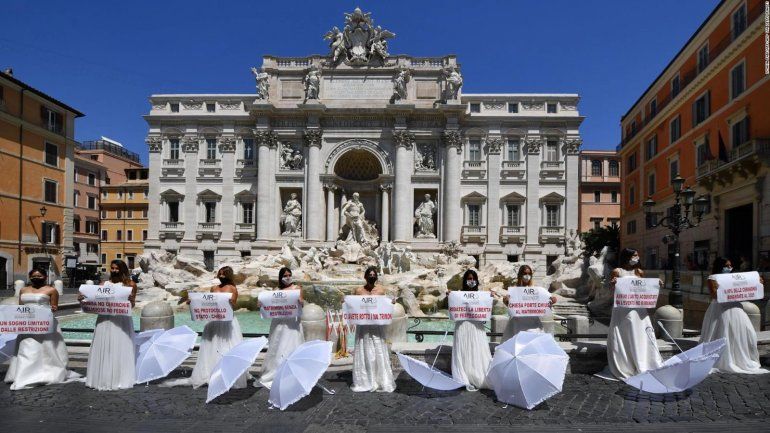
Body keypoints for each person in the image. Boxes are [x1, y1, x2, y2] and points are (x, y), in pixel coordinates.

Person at [164, 266, 247, 388]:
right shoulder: (213, 288)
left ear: (228, 275)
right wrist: (193, 302)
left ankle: (225, 374)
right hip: (213, 320)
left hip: (227, 322)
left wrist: (229, 302)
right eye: (219, 274)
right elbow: (207, 303)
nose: (221, 276)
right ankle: (210, 372)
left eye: (223, 274)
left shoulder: (233, 288)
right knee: (211, 347)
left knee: (227, 346)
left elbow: (233, 305)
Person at [4, 269, 80, 390]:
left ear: (45, 277)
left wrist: (53, 308)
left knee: (45, 347)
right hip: (27, 323)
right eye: (33, 276)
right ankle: (24, 373)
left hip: (44, 322)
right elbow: (20, 307)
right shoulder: (23, 290)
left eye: (39, 276)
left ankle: (42, 372)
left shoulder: (51, 290)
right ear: (29, 277)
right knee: (26, 346)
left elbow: (55, 307)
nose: (36, 278)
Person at [700, 258, 767, 374]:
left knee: (746, 332)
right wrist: (727, 290)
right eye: (726, 266)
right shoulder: (713, 278)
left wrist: (757, 283)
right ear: (720, 266)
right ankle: (722, 359)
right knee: (722, 332)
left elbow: (748, 288)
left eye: (730, 266)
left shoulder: (734, 278)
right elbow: (714, 295)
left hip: (736, 307)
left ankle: (741, 358)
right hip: (721, 309)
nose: (729, 268)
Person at [605, 248, 663, 380]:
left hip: (638, 307)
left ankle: (643, 360)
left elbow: (643, 287)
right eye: (635, 255)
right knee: (625, 332)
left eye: (637, 255)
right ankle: (626, 363)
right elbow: (611, 290)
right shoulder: (617, 271)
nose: (637, 257)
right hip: (623, 308)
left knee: (640, 332)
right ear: (627, 256)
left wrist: (655, 284)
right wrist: (613, 284)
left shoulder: (639, 271)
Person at [83, 260, 137, 390]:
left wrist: (131, 300)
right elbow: (95, 300)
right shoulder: (103, 284)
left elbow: (133, 304)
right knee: (103, 344)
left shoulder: (131, 284)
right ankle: (101, 377)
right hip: (104, 318)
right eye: (112, 268)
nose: (113, 270)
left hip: (121, 319)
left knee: (120, 344)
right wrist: (83, 299)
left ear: (123, 270)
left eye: (116, 268)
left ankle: (120, 378)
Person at [351, 266, 396, 392]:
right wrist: (344, 301)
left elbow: (385, 304)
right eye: (369, 275)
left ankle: (381, 379)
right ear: (365, 277)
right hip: (363, 324)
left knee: (378, 350)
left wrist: (391, 302)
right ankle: (365, 379)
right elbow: (352, 305)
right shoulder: (358, 290)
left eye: (373, 275)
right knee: (363, 349)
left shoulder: (381, 290)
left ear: (376, 277)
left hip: (376, 324)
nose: (372, 277)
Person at [259, 267, 305, 389]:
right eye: (285, 275)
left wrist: (300, 300)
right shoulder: (276, 291)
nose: (287, 277)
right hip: (278, 321)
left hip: (292, 322)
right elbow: (269, 304)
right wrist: (262, 303)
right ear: (281, 277)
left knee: (291, 345)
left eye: (289, 274)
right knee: (277, 345)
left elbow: (302, 303)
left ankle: (291, 374)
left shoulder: (297, 288)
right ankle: (276, 372)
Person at [447, 269, 492, 391]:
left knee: (476, 349)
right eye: (469, 279)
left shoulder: (482, 295)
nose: (471, 281)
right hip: (462, 325)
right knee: (463, 350)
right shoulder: (458, 295)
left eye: (473, 279)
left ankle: (476, 376)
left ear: (476, 281)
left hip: (476, 326)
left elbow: (487, 311)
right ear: (465, 280)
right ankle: (463, 376)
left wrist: (489, 298)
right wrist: (450, 296)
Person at [501, 265, 557, 341]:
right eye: (525, 273)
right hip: (518, 323)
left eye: (529, 274)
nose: (527, 276)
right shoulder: (514, 290)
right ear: (520, 275)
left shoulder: (536, 289)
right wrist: (506, 300)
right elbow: (508, 303)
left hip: (533, 323)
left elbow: (549, 298)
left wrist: (553, 299)